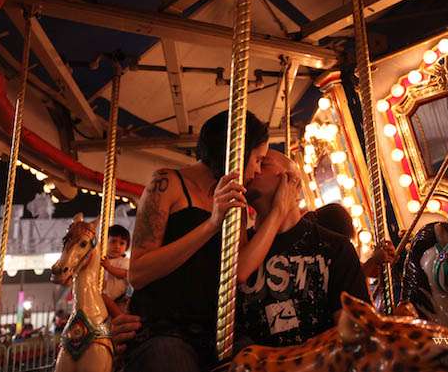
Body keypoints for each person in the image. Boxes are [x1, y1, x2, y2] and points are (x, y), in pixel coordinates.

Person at [124, 111, 295, 372]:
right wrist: (212, 224)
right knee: (171, 360)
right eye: (257, 159)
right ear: (237, 150)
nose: (257, 170)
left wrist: (278, 213)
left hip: (214, 328)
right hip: (164, 327)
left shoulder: (236, 202)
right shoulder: (167, 183)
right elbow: (137, 272)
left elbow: (240, 271)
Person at [237, 150, 370, 348]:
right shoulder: (239, 251)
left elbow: (353, 331)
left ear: (293, 181)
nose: (252, 170)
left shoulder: (335, 248)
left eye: (263, 163)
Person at [311, 203, 396, 278]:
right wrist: (374, 260)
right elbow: (354, 276)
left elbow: (366, 271)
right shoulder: (322, 259)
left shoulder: (339, 255)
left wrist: (386, 257)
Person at [101, 224, 131, 318]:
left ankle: (121, 317)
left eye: (122, 243)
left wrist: (109, 267)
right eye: (113, 241)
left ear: (126, 247)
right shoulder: (101, 260)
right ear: (105, 242)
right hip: (104, 298)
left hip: (118, 299)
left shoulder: (125, 261)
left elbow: (124, 274)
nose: (117, 246)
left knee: (102, 296)